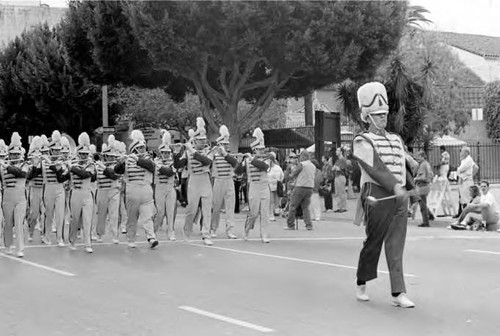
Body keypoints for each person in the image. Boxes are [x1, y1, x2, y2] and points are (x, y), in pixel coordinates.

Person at [353, 82, 415, 308]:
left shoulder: (396, 139)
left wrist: (411, 192)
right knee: (374, 242)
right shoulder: (361, 141)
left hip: (399, 197)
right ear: (367, 117)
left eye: (384, 114)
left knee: (396, 245)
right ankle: (361, 281)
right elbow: (375, 168)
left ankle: (398, 292)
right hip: (376, 195)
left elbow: (402, 167)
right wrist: (394, 186)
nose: (383, 118)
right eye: (378, 115)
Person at [114, 129, 159, 249]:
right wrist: (121, 163)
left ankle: (151, 237)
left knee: (148, 216)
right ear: (134, 149)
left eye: (143, 147)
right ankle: (131, 238)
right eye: (140, 148)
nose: (143, 150)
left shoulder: (148, 159)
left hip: (146, 190)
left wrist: (138, 159)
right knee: (132, 217)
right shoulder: (127, 160)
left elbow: (151, 167)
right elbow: (117, 171)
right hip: (131, 191)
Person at [174, 118, 214, 246]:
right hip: (193, 181)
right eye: (200, 140)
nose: (202, 142)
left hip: (205, 180)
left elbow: (207, 162)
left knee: (207, 210)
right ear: (195, 140)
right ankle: (187, 231)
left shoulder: (209, 151)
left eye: (204, 140)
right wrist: (176, 154)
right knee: (192, 209)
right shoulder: (187, 152)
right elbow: (178, 165)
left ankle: (206, 234)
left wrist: (192, 150)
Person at [239, 127, 271, 242]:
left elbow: (264, 167)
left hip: (264, 187)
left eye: (262, 149)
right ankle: (247, 229)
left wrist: (252, 159)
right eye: (259, 150)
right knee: (253, 213)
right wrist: (241, 161)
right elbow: (237, 171)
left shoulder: (267, 159)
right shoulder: (248, 160)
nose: (262, 152)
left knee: (265, 213)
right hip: (253, 188)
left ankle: (264, 234)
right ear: (254, 150)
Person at [1, 133, 29, 257]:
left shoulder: (25, 165)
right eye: (13, 154)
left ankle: (19, 248)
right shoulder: (2, 167)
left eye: (17, 154)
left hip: (20, 198)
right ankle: (7, 246)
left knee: (19, 223)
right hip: (7, 197)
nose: (15, 156)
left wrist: (7, 166)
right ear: (9, 154)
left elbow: (22, 174)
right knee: (8, 223)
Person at [68, 132, 97, 253]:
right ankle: (72, 241)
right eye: (82, 154)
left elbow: (85, 175)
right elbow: (63, 178)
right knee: (74, 219)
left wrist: (71, 168)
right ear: (78, 153)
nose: (84, 156)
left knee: (87, 219)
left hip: (87, 193)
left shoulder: (90, 164)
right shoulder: (71, 162)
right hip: (75, 194)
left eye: (86, 154)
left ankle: (88, 244)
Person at [210, 125, 238, 239]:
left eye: (227, 144)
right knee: (216, 207)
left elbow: (235, 163)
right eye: (224, 144)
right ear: (219, 144)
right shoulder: (214, 155)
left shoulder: (229, 155)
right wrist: (213, 152)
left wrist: (225, 154)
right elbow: (207, 162)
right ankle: (213, 228)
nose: (226, 146)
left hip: (229, 181)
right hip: (218, 181)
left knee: (230, 207)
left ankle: (229, 230)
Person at [95, 135, 121, 244]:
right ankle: (99, 234)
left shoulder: (116, 166)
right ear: (104, 156)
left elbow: (114, 176)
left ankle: (115, 235)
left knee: (114, 215)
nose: (111, 158)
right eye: (109, 156)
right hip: (102, 191)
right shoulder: (97, 166)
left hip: (114, 191)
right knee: (101, 214)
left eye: (112, 156)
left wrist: (104, 167)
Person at [153, 130, 178, 241]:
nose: (166, 154)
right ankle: (152, 231)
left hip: (170, 188)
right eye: (164, 152)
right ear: (160, 153)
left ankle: (171, 232)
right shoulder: (155, 161)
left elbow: (170, 172)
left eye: (168, 152)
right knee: (160, 212)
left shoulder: (173, 162)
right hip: (159, 188)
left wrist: (162, 167)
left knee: (170, 211)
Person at [285, 150, 316, 230]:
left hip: (300, 187)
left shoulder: (302, 164)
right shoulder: (313, 166)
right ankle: (309, 225)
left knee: (293, 206)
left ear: (303, 157)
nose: (299, 158)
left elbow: (293, 174)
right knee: (305, 207)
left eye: (300, 157)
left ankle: (291, 224)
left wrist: (289, 171)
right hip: (310, 187)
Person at [454, 146, 477, 218]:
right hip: (463, 181)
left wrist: (471, 176)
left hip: (467, 181)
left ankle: (466, 215)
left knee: (467, 199)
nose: (461, 153)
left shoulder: (468, 160)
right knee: (463, 198)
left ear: (467, 152)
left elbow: (461, 169)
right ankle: (463, 214)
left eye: (462, 152)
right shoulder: (464, 159)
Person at [414, 150, 434, 227]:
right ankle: (430, 215)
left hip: (422, 185)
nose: (417, 158)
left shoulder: (422, 165)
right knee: (422, 202)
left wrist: (415, 179)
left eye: (419, 156)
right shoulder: (427, 164)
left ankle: (425, 222)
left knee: (422, 205)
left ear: (423, 156)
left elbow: (422, 177)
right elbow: (431, 174)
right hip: (427, 185)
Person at [268, 152, 284, 221]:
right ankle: (271, 214)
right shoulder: (267, 168)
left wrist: (279, 181)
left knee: (276, 201)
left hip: (276, 187)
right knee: (271, 201)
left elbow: (282, 176)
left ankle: (274, 212)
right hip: (269, 187)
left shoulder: (277, 168)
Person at [333, 147, 348, 213]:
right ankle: (339, 207)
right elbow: (333, 168)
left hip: (341, 176)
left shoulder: (343, 160)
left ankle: (343, 207)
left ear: (341, 152)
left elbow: (339, 168)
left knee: (341, 192)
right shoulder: (337, 160)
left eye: (338, 150)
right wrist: (336, 168)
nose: (336, 151)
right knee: (337, 193)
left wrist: (336, 168)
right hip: (336, 176)